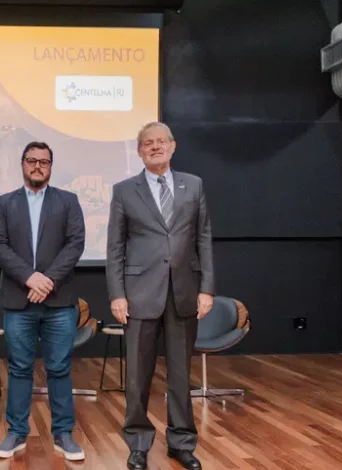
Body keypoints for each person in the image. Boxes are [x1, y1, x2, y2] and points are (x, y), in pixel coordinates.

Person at [106, 122, 213, 470]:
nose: (155, 147)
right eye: (147, 143)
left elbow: (203, 239)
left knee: (181, 374)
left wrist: (207, 288)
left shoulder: (193, 185)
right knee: (138, 376)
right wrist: (117, 294)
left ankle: (181, 443)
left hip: (183, 292)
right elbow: (115, 248)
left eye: (161, 141)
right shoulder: (124, 191)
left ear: (173, 146)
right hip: (139, 296)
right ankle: (137, 443)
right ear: (139, 151)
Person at [0, 142, 86, 461]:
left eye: (44, 161)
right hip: (19, 299)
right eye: (32, 160)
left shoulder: (68, 201)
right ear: (22, 164)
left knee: (59, 368)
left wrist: (48, 280)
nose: (38, 166)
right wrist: (30, 277)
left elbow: (75, 244)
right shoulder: (4, 203)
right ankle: (16, 432)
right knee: (19, 368)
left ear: (51, 167)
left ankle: (63, 433)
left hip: (59, 301)